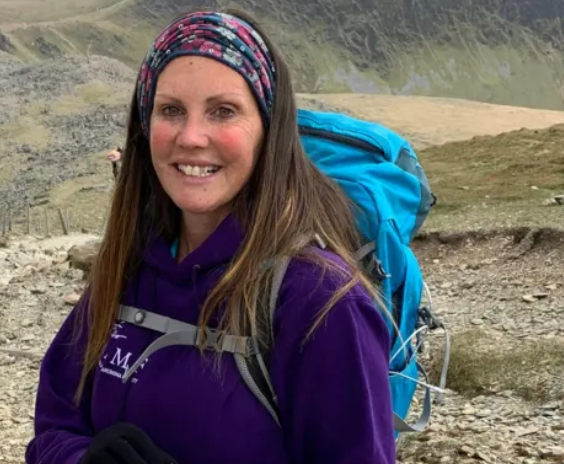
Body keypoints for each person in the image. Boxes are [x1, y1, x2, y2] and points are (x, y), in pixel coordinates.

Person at [26, 8, 396, 464]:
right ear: (145, 127)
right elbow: (55, 422)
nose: (192, 137)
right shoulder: (128, 265)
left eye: (224, 111)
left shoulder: (320, 301)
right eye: (171, 110)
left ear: (268, 130)